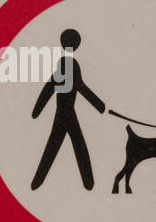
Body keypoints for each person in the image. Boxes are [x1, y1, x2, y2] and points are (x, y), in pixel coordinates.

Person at [30, 28, 105, 190]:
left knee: (55, 147)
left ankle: (38, 181)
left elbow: (49, 87)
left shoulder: (62, 64)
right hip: (68, 113)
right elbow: (81, 87)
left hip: (62, 112)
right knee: (77, 146)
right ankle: (88, 183)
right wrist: (99, 105)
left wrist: (37, 111)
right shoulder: (72, 65)